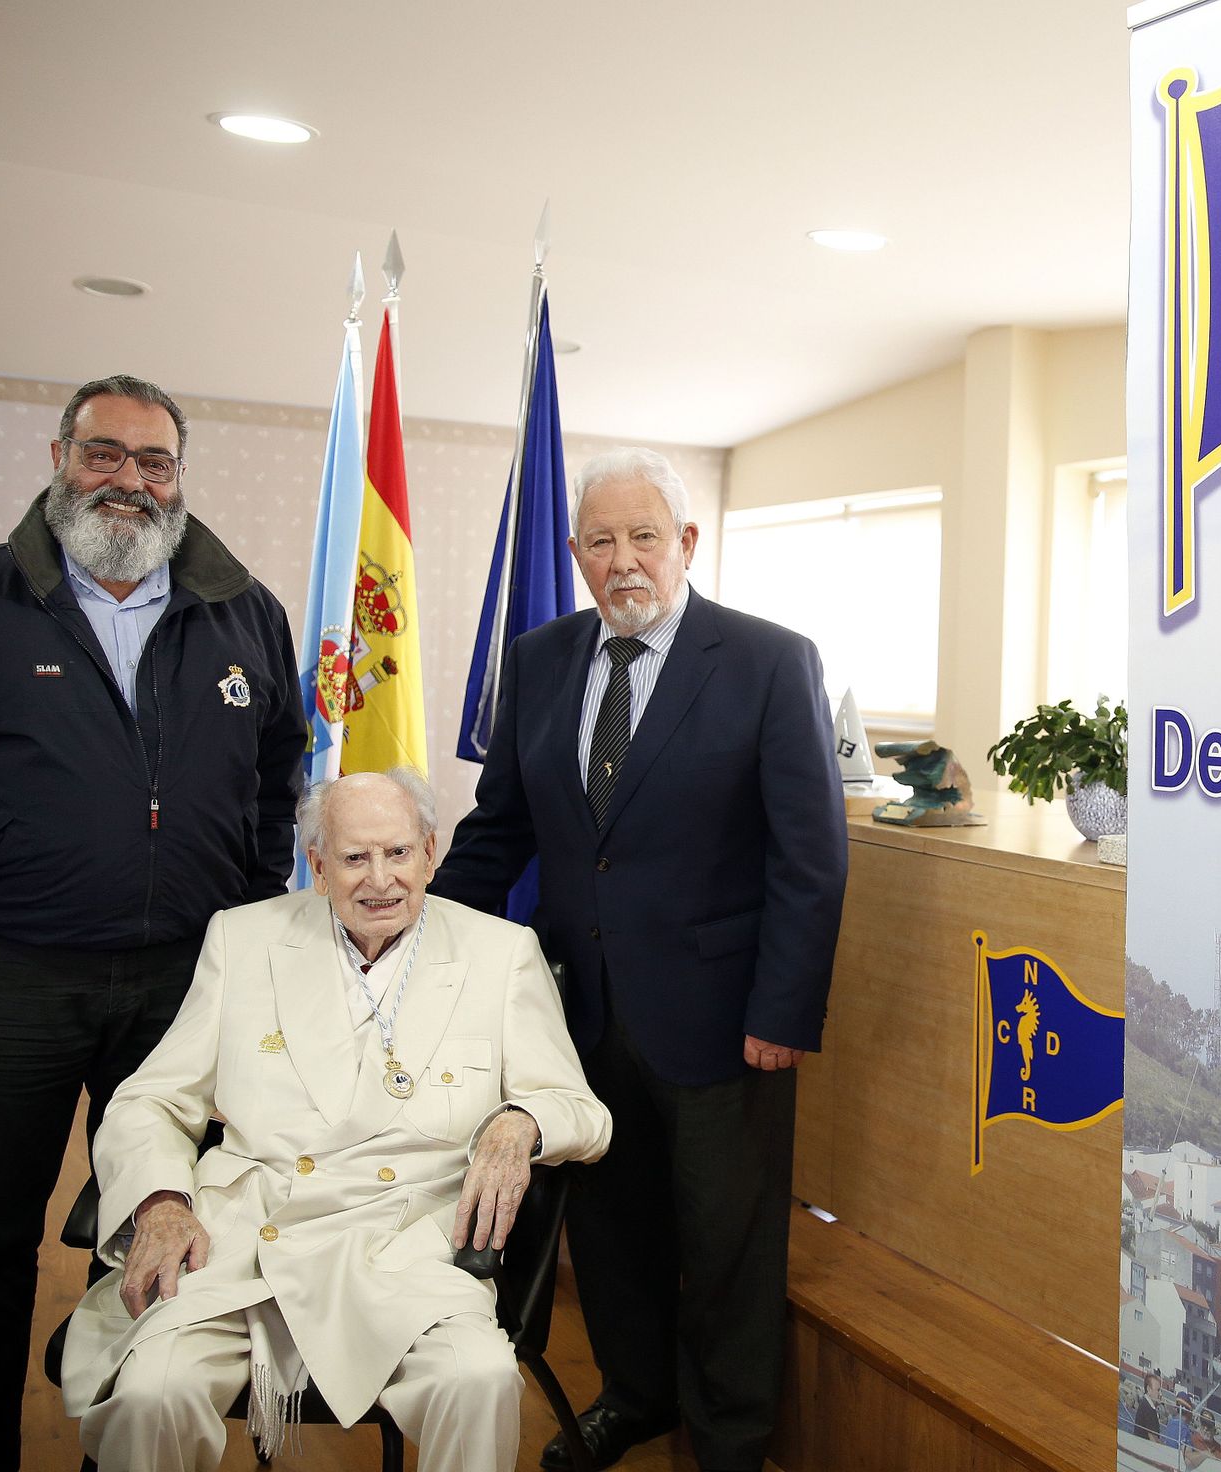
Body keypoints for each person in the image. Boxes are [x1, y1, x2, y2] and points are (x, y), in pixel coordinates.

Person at [0, 374, 308, 1470]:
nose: (129, 479)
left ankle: (115, 1446)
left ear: (179, 478)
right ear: (59, 457)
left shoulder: (245, 613)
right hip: (10, 978)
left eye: (154, 461)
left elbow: (281, 782)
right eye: (105, 454)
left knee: (151, 1221)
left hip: (186, 983)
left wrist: (259, 924)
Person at [430, 447, 848, 1472]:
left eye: (645, 536)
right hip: (578, 1017)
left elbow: (812, 854)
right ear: (575, 554)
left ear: (687, 543)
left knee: (725, 1250)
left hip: (724, 1022)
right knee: (610, 1234)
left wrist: (783, 1009)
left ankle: (729, 1441)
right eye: (602, 541)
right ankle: (636, 1394)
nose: (624, 561)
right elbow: (501, 830)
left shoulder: (768, 659)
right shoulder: (537, 659)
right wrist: (409, 943)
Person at [60, 768, 612, 1470]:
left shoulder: (500, 954)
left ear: (432, 853)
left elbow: (583, 1113)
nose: (380, 879)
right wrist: (163, 1201)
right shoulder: (243, 939)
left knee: (480, 1379)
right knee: (150, 1393)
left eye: (399, 853)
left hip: (407, 1251)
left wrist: (520, 1119)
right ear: (317, 867)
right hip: (247, 1244)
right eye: (354, 858)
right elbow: (150, 1099)